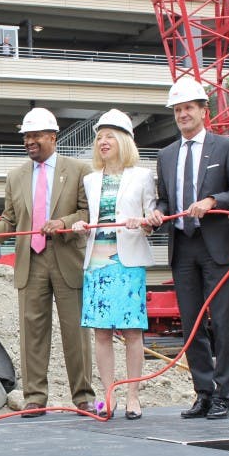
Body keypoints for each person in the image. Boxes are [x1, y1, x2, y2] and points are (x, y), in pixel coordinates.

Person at [0, 107, 94, 416]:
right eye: (26, 136)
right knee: (32, 331)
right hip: (31, 261)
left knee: (75, 331)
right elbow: (10, 221)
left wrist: (63, 222)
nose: (29, 141)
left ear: (53, 137)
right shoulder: (16, 176)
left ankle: (84, 397)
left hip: (67, 258)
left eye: (35, 136)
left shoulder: (78, 170)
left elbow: (88, 212)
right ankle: (35, 397)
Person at [147, 76, 229, 420]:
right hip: (183, 247)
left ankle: (225, 395)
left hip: (217, 246)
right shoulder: (166, 155)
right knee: (191, 324)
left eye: (188, 108)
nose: (182, 115)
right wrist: (157, 213)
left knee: (223, 323)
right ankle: (204, 392)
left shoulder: (225, 147)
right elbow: (165, 199)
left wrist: (211, 200)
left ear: (204, 110)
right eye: (177, 110)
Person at [72, 110, 155, 420]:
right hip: (97, 262)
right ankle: (109, 394)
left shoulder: (143, 176)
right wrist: (82, 226)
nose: (102, 142)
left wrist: (143, 222)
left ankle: (133, 396)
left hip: (127, 261)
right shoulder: (90, 180)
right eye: (99, 138)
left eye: (109, 136)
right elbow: (92, 217)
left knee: (133, 332)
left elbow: (152, 220)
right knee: (101, 333)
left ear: (123, 140)